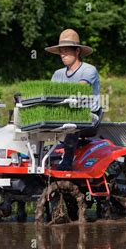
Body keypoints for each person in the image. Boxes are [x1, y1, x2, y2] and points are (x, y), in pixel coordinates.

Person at [45, 29, 102, 171]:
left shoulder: (89, 70)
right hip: (64, 114)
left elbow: (80, 89)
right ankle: (40, 159)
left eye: (66, 51)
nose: (62, 55)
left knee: (72, 122)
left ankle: (67, 163)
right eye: (61, 51)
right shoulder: (57, 74)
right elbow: (50, 96)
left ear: (77, 51)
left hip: (88, 116)